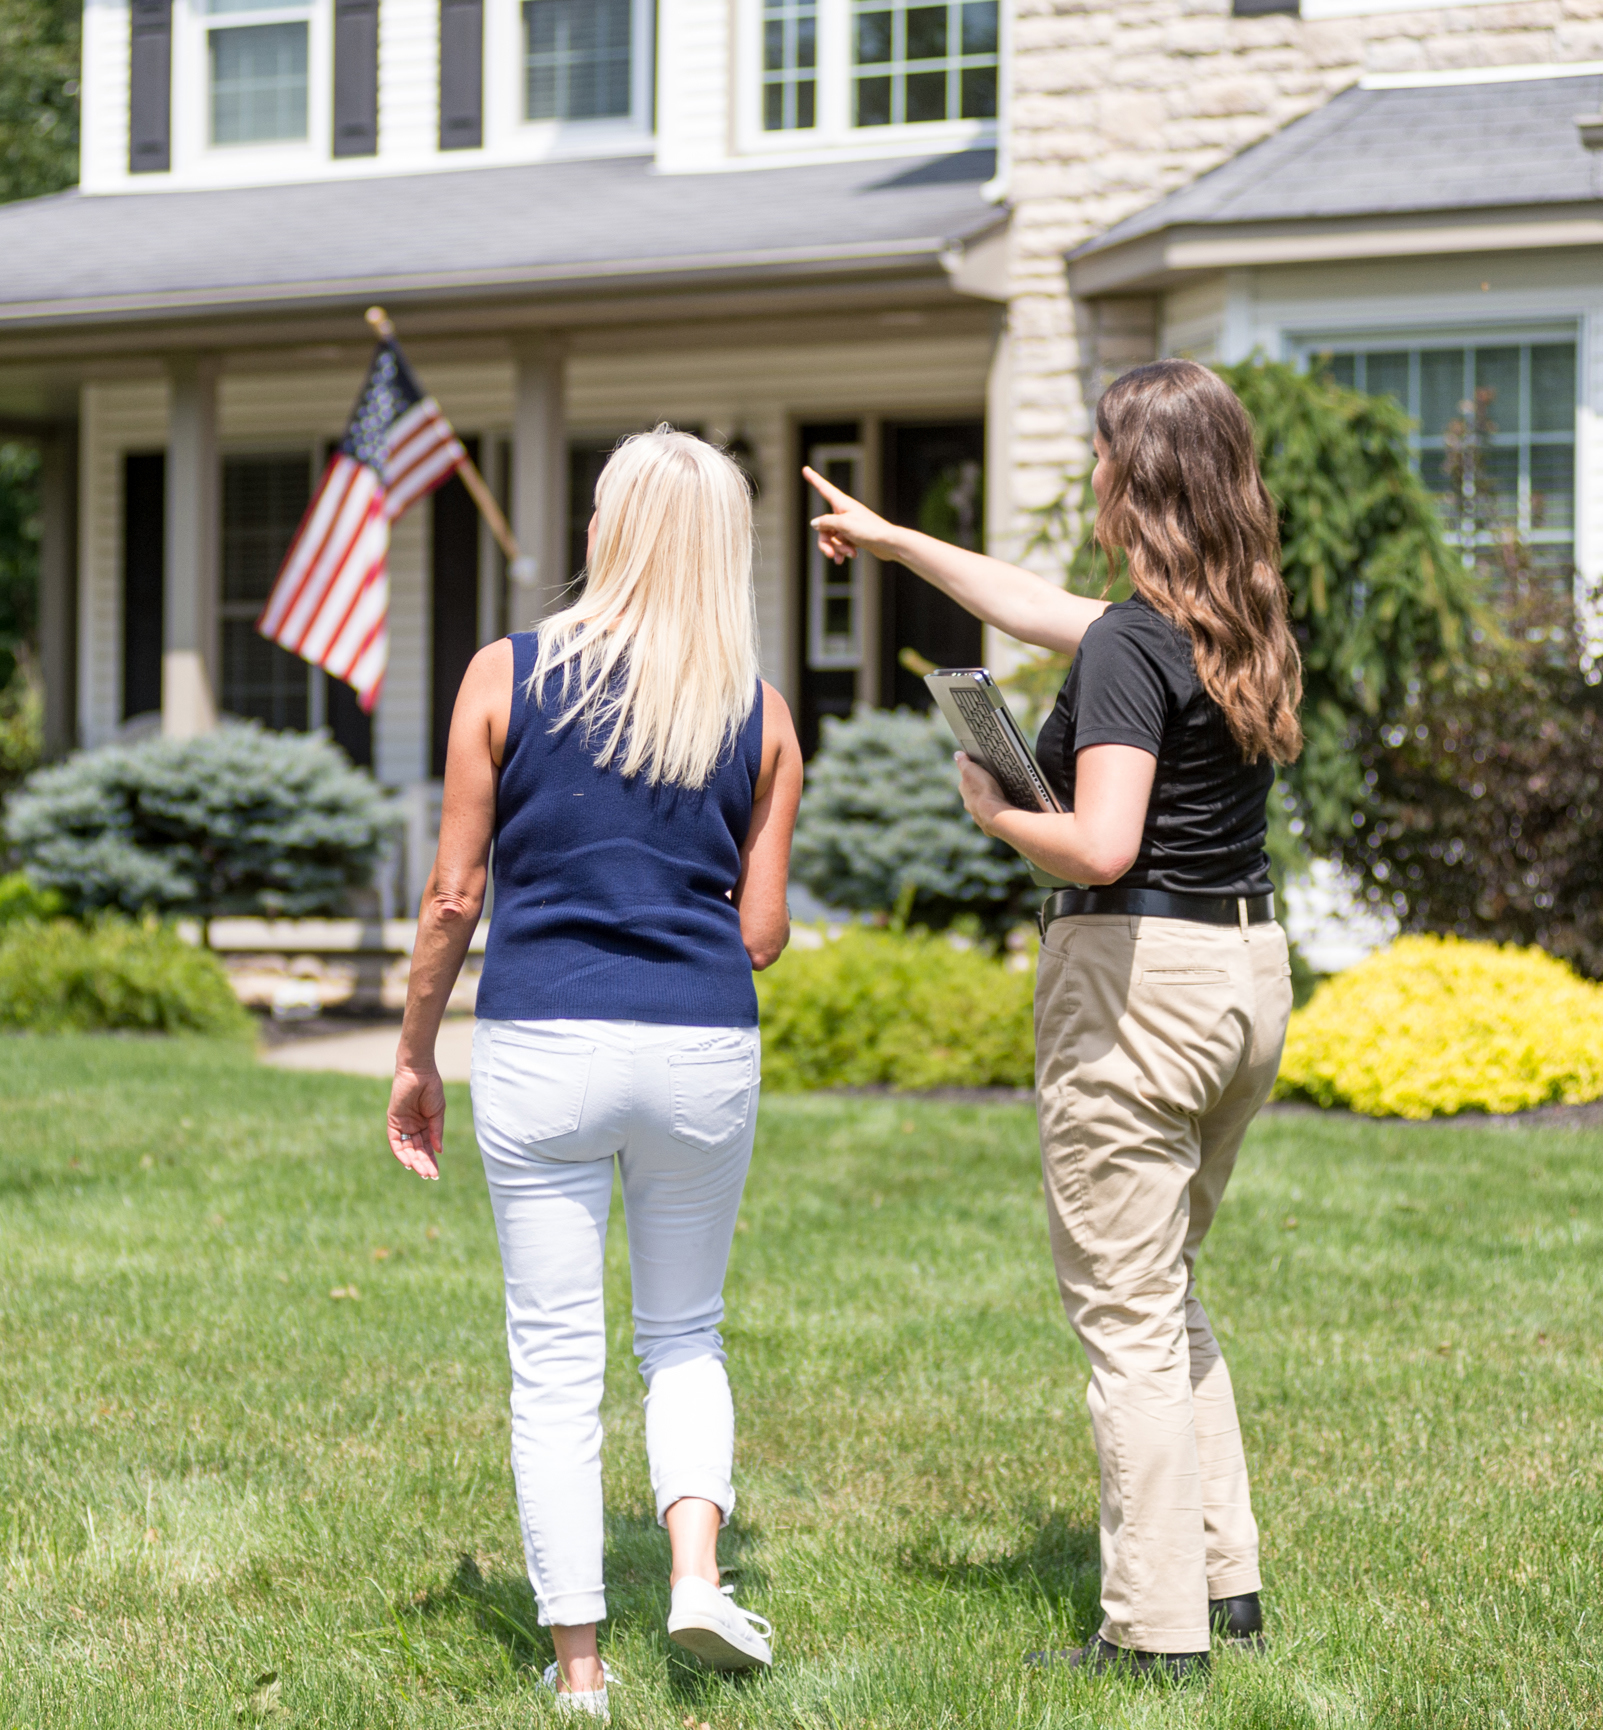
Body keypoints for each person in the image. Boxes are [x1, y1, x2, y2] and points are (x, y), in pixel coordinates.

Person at [805, 359, 1301, 1680]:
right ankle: (1224, 1577)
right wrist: (898, 538)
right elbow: (1044, 612)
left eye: (1097, 454)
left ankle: (1152, 1636)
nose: (1086, 473)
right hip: (1246, 978)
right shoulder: (1227, 622)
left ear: (1135, 477)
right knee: (1168, 1287)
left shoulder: (1139, 643)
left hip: (1140, 986)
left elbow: (1097, 842)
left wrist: (995, 808)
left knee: (1126, 1319)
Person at [388, 427, 804, 1720]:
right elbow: (762, 933)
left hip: (545, 1047)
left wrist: (413, 1054)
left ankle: (580, 1668)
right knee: (684, 1331)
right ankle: (694, 1570)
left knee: (555, 1360)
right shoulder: (763, 713)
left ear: (600, 536)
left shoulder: (502, 679)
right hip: (702, 1048)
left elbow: (456, 894)